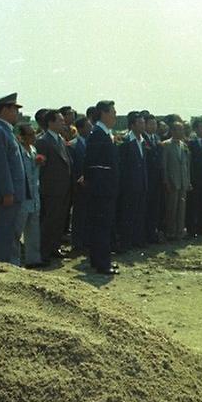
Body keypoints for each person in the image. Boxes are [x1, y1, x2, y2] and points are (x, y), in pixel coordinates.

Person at [0, 93, 27, 265]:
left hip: (14, 194)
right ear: (5, 110)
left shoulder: (5, 131)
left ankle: (11, 266)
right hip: (7, 196)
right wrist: (7, 192)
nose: (17, 113)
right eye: (14, 109)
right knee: (5, 233)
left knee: (13, 233)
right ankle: (2, 268)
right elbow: (0, 166)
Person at [83, 100, 120, 275]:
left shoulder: (104, 133)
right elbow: (92, 165)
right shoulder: (98, 134)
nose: (115, 115)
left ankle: (100, 260)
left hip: (104, 189)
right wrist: (103, 188)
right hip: (101, 191)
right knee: (101, 226)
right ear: (104, 113)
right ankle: (102, 263)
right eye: (113, 112)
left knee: (103, 226)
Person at [34, 109, 73, 263]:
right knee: (49, 221)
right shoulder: (43, 141)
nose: (63, 123)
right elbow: (41, 168)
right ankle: (43, 253)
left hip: (63, 188)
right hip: (51, 189)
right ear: (50, 122)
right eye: (60, 120)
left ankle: (54, 247)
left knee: (59, 220)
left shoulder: (60, 139)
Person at [117, 111, 149, 249]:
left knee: (139, 213)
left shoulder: (143, 141)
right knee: (127, 214)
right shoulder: (125, 142)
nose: (143, 125)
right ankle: (126, 241)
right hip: (129, 185)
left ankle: (137, 239)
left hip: (141, 183)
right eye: (140, 123)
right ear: (132, 125)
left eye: (143, 123)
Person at [15, 123, 44, 268]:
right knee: (17, 230)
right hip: (22, 197)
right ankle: (14, 260)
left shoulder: (33, 150)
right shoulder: (18, 151)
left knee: (33, 229)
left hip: (33, 195)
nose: (34, 137)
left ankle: (33, 259)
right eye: (30, 134)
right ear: (22, 137)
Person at [161, 121, 191, 240]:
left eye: (182, 130)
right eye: (178, 130)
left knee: (181, 208)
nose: (181, 132)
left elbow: (187, 165)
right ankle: (170, 232)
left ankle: (180, 231)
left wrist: (188, 181)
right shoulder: (166, 145)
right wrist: (166, 181)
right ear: (172, 131)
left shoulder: (184, 146)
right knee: (171, 208)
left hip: (183, 181)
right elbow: (164, 165)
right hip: (172, 181)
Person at [69, 117, 92, 252]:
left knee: (88, 213)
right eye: (88, 126)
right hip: (79, 185)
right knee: (79, 214)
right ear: (81, 128)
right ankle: (77, 242)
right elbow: (72, 167)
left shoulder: (90, 143)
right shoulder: (73, 145)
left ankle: (86, 240)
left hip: (89, 184)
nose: (91, 129)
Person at [143, 113, 164, 243]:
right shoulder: (142, 138)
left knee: (155, 208)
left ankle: (152, 234)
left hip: (157, 179)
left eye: (155, 124)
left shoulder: (157, 138)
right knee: (146, 208)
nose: (154, 126)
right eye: (151, 124)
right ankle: (145, 234)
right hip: (147, 178)